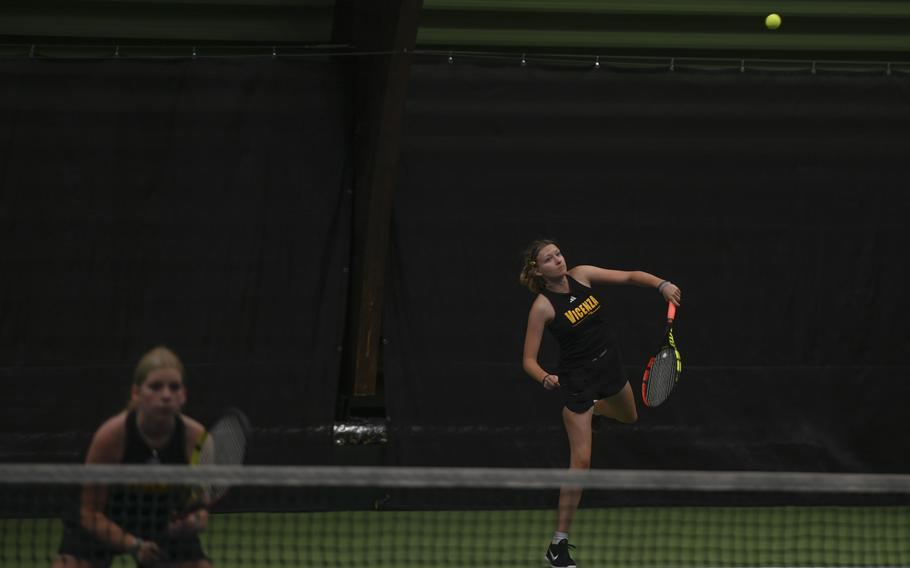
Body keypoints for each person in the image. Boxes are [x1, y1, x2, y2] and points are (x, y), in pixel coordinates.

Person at [520, 239, 681, 568]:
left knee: (629, 415)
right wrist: (544, 377)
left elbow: (630, 276)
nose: (558, 260)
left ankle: (595, 408)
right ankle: (558, 545)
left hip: (611, 367)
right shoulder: (542, 307)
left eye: (558, 254)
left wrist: (661, 285)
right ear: (538, 269)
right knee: (580, 465)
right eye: (549, 259)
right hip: (578, 381)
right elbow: (528, 360)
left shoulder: (583, 275)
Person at [53, 346, 212, 568]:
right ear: (136, 393)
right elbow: (90, 512)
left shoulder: (196, 438)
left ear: (183, 394)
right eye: (155, 387)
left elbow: (199, 506)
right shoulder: (111, 436)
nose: (166, 395)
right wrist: (134, 545)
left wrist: (193, 522)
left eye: (174, 387)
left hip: (160, 519)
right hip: (105, 516)